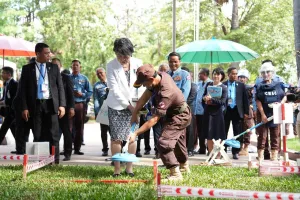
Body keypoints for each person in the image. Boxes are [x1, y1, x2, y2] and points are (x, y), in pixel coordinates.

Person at [129, 64, 191, 181]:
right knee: (178, 143)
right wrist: (135, 112)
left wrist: (135, 133)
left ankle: (175, 174)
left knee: (164, 142)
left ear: (152, 79)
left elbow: (154, 119)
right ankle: (184, 166)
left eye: (144, 83)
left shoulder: (165, 92)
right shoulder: (160, 76)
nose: (143, 86)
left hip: (180, 115)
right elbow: (147, 94)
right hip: (174, 113)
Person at [20, 43, 66, 164]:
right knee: (38, 134)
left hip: (51, 104)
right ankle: (39, 161)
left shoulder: (54, 67)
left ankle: (55, 161)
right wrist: (24, 108)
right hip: (35, 105)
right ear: (38, 53)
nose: (49, 55)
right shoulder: (27, 69)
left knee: (54, 134)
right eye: (46, 53)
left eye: (49, 53)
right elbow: (22, 90)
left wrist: (62, 105)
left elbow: (60, 87)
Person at [106, 38, 144, 177]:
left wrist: (138, 105)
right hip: (117, 106)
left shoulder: (138, 63)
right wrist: (128, 106)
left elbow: (142, 85)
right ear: (115, 53)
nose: (123, 58)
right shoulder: (111, 66)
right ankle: (117, 169)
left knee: (132, 136)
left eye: (126, 55)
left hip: (135, 105)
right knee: (116, 138)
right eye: (120, 55)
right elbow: (114, 89)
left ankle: (129, 168)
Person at [253, 59, 286, 159]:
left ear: (272, 73)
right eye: (263, 72)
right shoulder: (259, 86)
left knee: (275, 135)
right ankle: (261, 156)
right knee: (262, 135)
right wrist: (262, 114)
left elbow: (284, 96)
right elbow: (258, 100)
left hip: (275, 114)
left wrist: (280, 104)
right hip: (263, 113)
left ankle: (274, 157)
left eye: (268, 72)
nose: (266, 74)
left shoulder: (278, 84)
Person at [223, 67, 249, 160]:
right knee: (224, 131)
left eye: (236, 74)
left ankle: (235, 152)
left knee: (237, 132)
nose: (235, 76)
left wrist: (246, 112)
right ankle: (223, 150)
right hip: (226, 110)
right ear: (228, 74)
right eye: (233, 73)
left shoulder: (241, 85)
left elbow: (245, 100)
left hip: (237, 111)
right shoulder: (223, 84)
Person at [52, 58, 75, 161]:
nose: (55, 67)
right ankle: (53, 154)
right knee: (53, 132)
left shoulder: (66, 78)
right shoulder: (48, 77)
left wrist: (71, 108)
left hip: (64, 109)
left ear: (60, 66)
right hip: (51, 109)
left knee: (66, 131)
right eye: (52, 65)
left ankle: (67, 153)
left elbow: (70, 94)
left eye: (57, 65)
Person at [202, 68, 227, 154]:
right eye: (214, 74)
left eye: (218, 74)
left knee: (218, 134)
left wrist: (212, 99)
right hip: (208, 112)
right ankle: (210, 153)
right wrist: (205, 98)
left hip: (217, 114)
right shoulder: (208, 84)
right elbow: (203, 97)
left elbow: (222, 102)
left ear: (222, 76)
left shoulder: (223, 87)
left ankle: (218, 155)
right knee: (209, 135)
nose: (216, 76)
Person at [70, 59, 93, 155]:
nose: (75, 67)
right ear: (71, 67)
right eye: (73, 65)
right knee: (68, 127)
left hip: (80, 104)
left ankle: (77, 148)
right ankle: (67, 148)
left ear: (80, 67)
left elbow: (90, 91)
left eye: (77, 65)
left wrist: (82, 94)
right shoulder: (67, 78)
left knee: (79, 127)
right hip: (69, 105)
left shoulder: (84, 78)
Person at [194, 68, 212, 154]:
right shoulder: (198, 84)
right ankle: (202, 148)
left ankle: (210, 148)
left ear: (204, 74)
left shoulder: (211, 83)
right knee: (200, 130)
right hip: (198, 111)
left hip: (207, 111)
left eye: (200, 74)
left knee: (208, 130)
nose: (198, 75)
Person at [0, 67, 18, 153]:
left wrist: (5, 102)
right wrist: (2, 101)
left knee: (3, 129)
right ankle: (20, 147)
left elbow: (15, 98)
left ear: (9, 74)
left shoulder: (14, 84)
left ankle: (21, 147)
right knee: (13, 129)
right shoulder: (6, 83)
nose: (1, 74)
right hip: (8, 111)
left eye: (3, 73)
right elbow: (5, 97)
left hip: (12, 111)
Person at [237, 69, 255, 156]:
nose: (242, 79)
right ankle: (239, 147)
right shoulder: (236, 87)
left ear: (246, 79)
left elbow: (254, 99)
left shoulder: (250, 88)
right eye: (240, 77)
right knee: (239, 129)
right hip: (238, 110)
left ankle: (246, 147)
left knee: (248, 129)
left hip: (248, 111)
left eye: (244, 77)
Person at [93, 67, 110, 156]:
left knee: (113, 131)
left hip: (113, 110)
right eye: (98, 73)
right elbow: (95, 99)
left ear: (105, 72)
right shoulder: (96, 86)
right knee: (103, 131)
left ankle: (118, 148)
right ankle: (105, 149)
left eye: (101, 72)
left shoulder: (111, 82)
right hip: (103, 110)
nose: (100, 75)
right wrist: (97, 112)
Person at [181, 67, 197, 157]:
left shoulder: (193, 85)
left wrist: (180, 104)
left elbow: (191, 98)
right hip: (178, 110)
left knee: (190, 130)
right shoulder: (177, 84)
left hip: (189, 110)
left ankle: (190, 149)